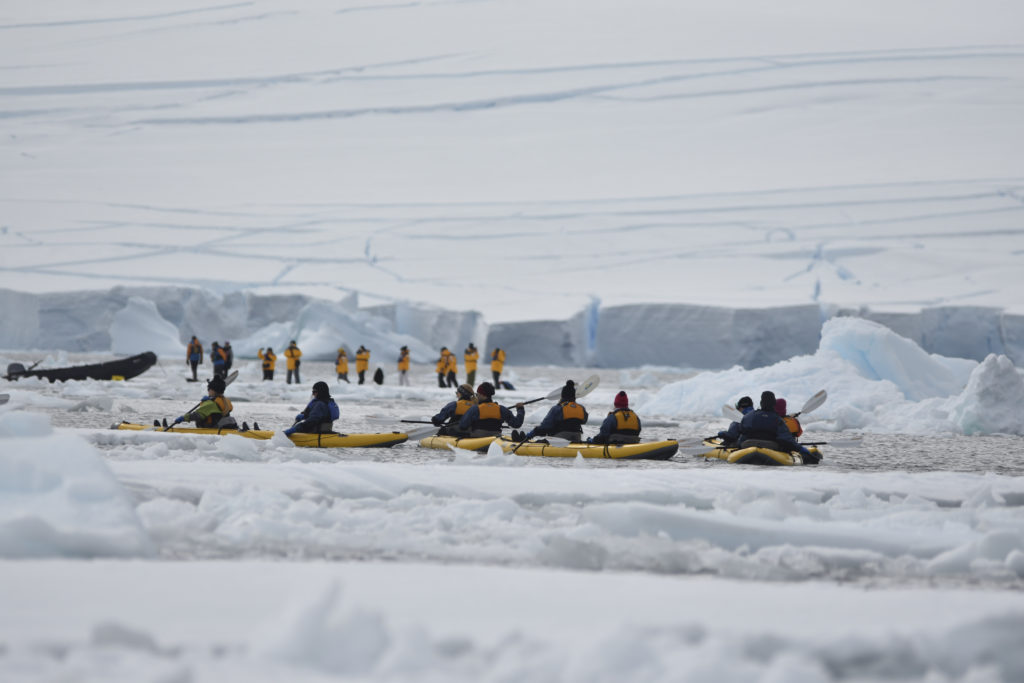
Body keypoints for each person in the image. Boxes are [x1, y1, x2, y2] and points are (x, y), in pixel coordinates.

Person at [738, 391, 811, 458]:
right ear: (773, 404)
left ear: (761, 403)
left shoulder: (749, 416)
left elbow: (742, 432)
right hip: (770, 446)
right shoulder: (778, 419)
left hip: (748, 445)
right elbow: (785, 439)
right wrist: (800, 448)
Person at [523, 380, 589, 442]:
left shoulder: (557, 408)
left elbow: (545, 426)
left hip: (561, 439)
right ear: (574, 395)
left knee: (542, 439)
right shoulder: (581, 408)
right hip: (577, 437)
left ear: (562, 395)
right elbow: (584, 421)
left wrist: (532, 434)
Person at [458, 382, 525, 438]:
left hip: (477, 437)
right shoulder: (501, 409)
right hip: (496, 437)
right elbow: (517, 424)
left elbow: (462, 426)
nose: (477, 396)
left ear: (482, 395)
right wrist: (520, 409)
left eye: (477, 394)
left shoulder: (475, 408)